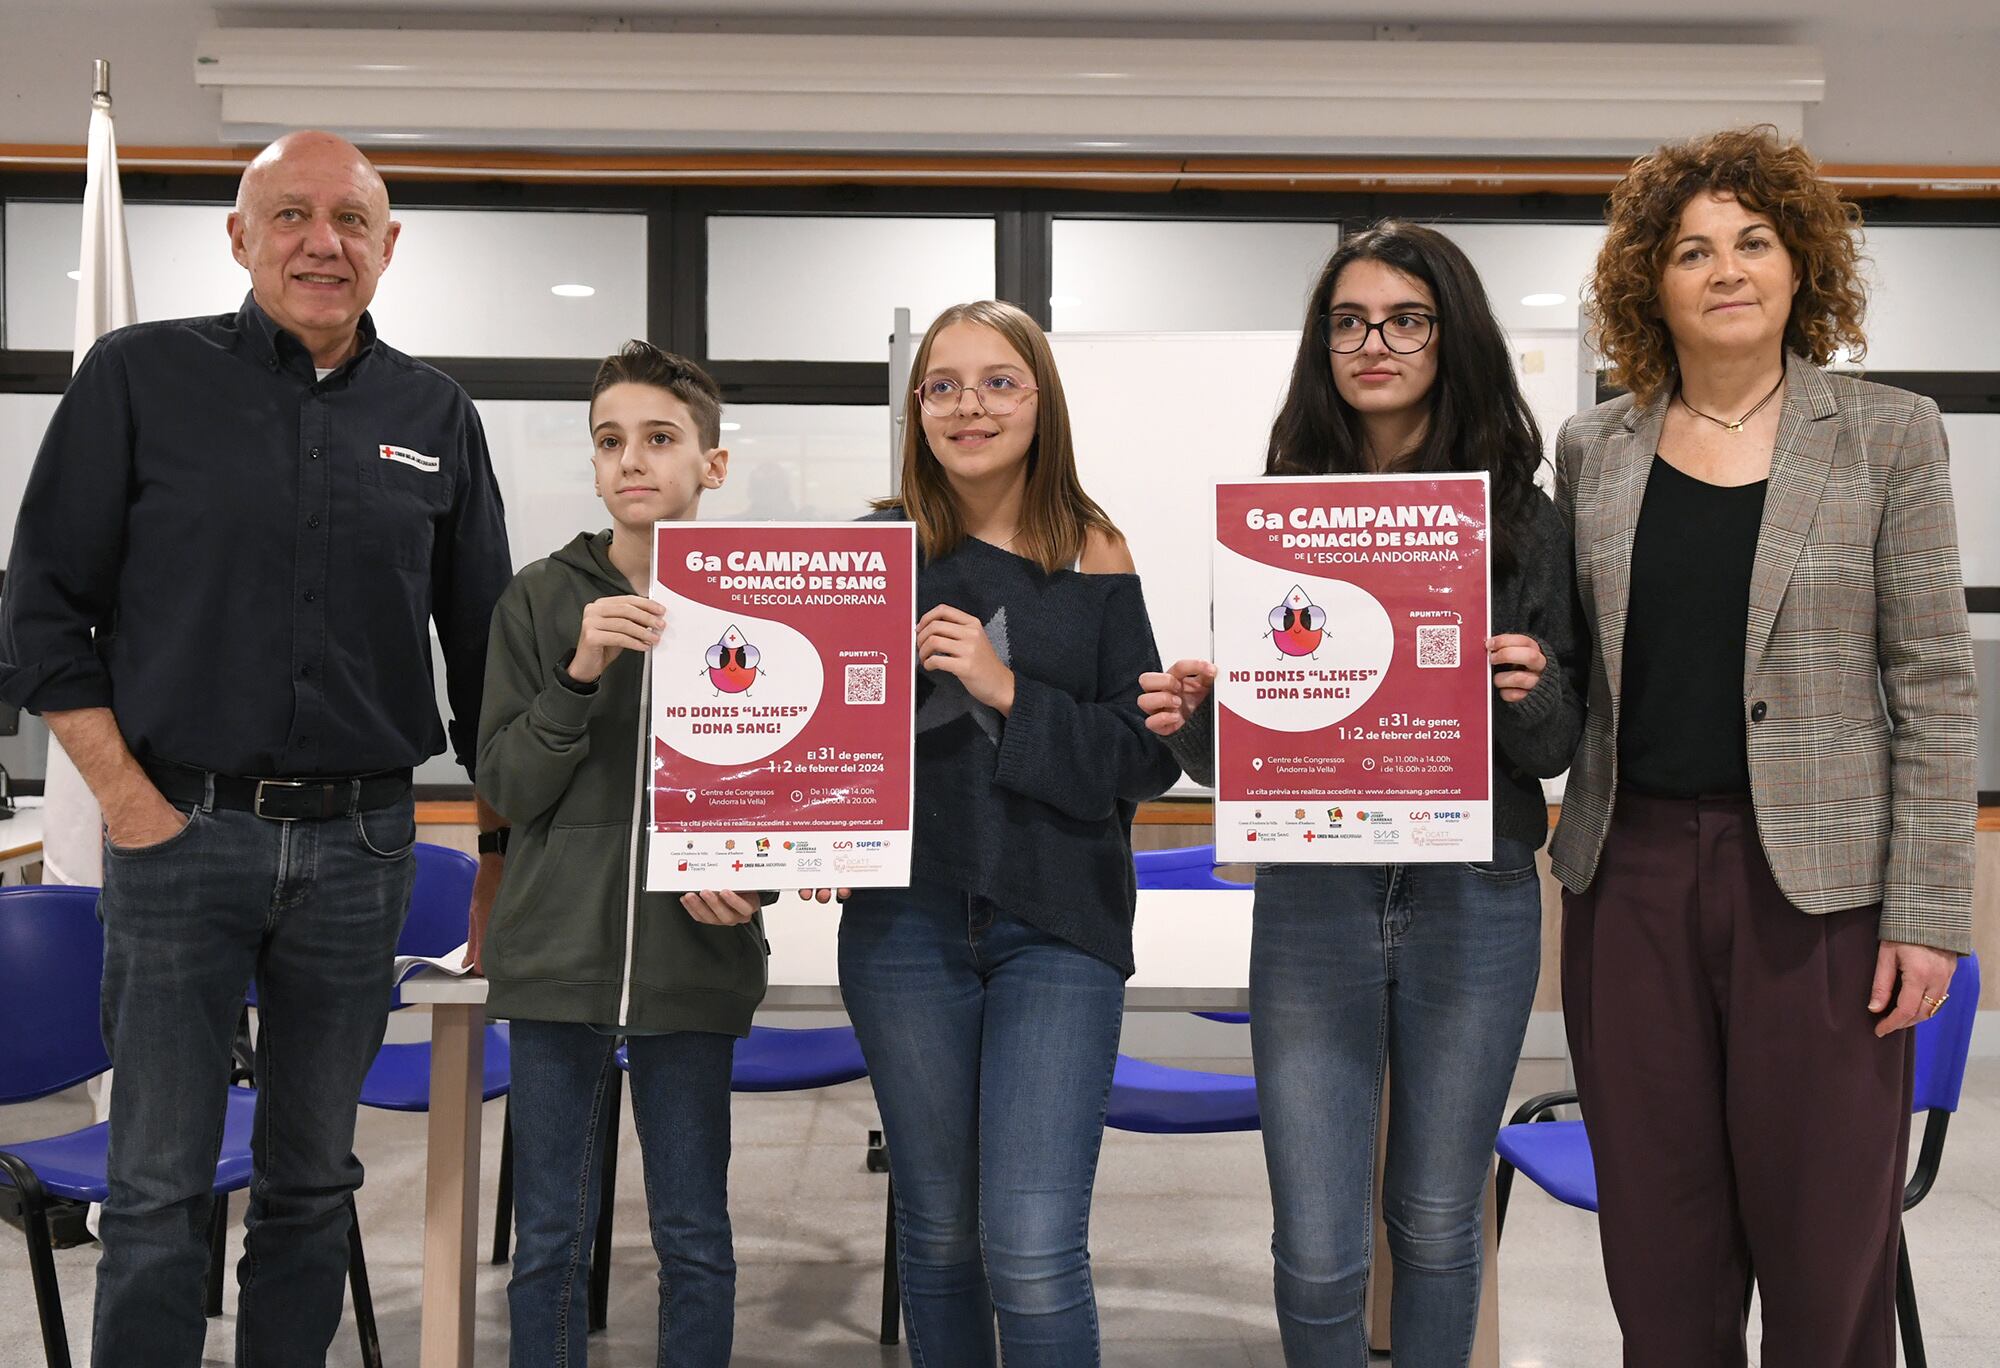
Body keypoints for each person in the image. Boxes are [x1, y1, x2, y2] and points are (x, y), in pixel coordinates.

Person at [0, 131, 513, 1367]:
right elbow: (38, 611)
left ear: (389, 246)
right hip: (178, 835)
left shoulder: (435, 416)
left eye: (350, 219)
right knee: (161, 1185)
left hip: (362, 846)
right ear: (239, 238)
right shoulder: (136, 379)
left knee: (310, 1181)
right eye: (289, 215)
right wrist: (125, 803)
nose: (321, 242)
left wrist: (516, 840)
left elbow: (492, 653)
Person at [1550, 126, 1976, 1367]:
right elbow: (1571, 673)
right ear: (1652, 285)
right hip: (1626, 879)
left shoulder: (1886, 433)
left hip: (1826, 896)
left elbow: (1935, 686)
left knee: (1824, 1241)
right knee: (1657, 1242)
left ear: (1800, 269)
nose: (1724, 267)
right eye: (1690, 250)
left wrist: (1928, 910)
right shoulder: (1595, 451)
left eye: (1751, 241)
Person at [1137, 222, 1585, 1367]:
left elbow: (1553, 742)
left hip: (1472, 893)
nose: (1370, 342)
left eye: (1402, 318)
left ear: (1451, 335)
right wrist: (1197, 709)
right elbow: (1238, 764)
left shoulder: (1521, 519)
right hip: (1313, 894)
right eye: (1346, 321)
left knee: (1436, 1222)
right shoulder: (1279, 516)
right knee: (1318, 1245)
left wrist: (1522, 689)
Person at [813, 299, 1179, 1366]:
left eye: (998, 381)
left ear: (1039, 399)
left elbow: (1139, 757)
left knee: (1027, 1245)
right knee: (936, 1236)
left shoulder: (1096, 550)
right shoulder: (869, 552)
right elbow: (810, 736)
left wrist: (1004, 687)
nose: (968, 405)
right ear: (915, 408)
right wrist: (780, 833)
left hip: (1058, 923)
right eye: (942, 385)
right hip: (902, 928)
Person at [475, 340, 767, 1368]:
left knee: (694, 1237)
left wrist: (752, 872)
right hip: (556, 963)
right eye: (610, 441)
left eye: (658, 438)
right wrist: (581, 669)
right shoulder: (538, 600)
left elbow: (785, 783)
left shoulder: (760, 602)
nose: (631, 461)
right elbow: (507, 790)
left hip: (695, 965)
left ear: (710, 464)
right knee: (548, 1238)